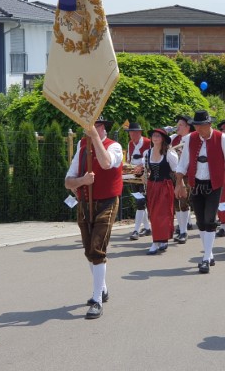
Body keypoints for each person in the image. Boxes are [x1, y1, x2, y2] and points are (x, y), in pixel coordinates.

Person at [65, 116, 123, 319]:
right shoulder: (81, 148)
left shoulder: (114, 146)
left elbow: (107, 164)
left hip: (106, 201)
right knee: (89, 250)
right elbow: (68, 181)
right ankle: (103, 288)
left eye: (94, 125)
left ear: (102, 127)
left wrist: (94, 138)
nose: (88, 128)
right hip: (84, 203)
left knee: (97, 249)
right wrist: (82, 180)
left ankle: (97, 299)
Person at [175, 110, 225, 274]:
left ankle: (205, 258)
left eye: (201, 126)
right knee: (201, 221)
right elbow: (183, 163)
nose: (199, 129)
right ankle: (209, 253)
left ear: (209, 124)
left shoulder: (221, 138)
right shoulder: (190, 139)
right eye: (196, 126)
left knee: (210, 219)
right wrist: (179, 183)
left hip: (214, 184)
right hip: (196, 183)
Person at [143, 128, 178, 255]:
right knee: (153, 214)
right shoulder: (148, 153)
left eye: (158, 136)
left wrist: (180, 185)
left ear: (162, 138)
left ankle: (156, 241)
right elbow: (146, 170)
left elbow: (176, 170)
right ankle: (162, 239)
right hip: (152, 186)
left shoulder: (169, 153)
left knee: (163, 214)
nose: (155, 138)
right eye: (153, 135)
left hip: (165, 185)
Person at [171, 115, 195, 243]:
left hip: (186, 175)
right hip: (174, 174)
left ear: (187, 127)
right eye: (178, 124)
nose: (177, 127)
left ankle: (184, 231)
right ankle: (181, 228)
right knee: (176, 203)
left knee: (183, 201)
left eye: (180, 125)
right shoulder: (174, 139)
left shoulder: (192, 139)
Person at [126, 122, 152, 240]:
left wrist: (141, 166)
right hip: (133, 176)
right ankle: (147, 228)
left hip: (144, 176)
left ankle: (136, 230)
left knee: (141, 202)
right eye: (130, 132)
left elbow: (151, 158)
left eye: (134, 132)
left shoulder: (148, 142)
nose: (132, 135)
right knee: (139, 200)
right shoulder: (130, 144)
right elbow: (129, 159)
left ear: (140, 133)